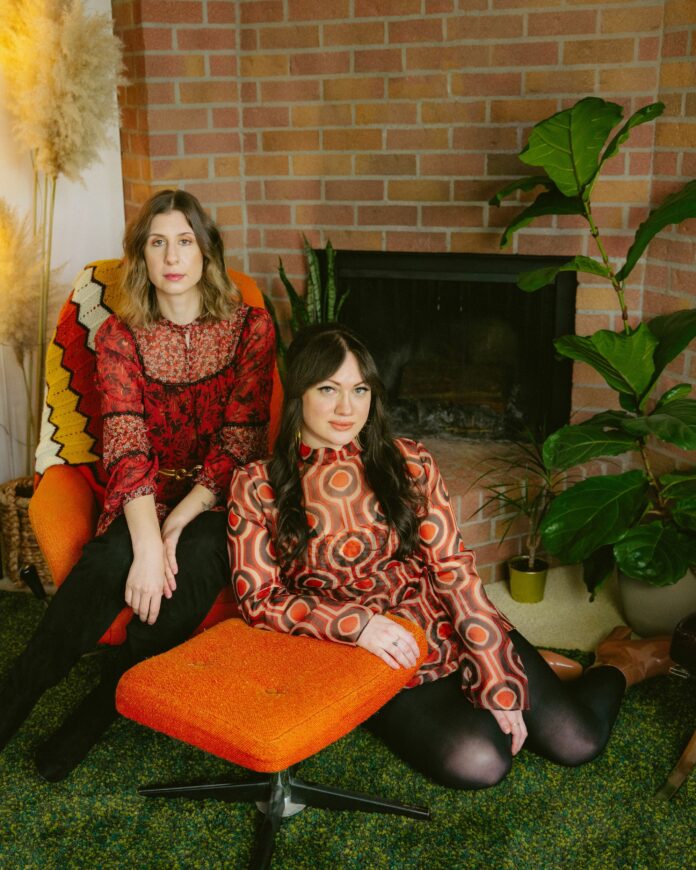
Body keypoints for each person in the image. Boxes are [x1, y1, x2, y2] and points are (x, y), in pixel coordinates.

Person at [227, 322, 673, 790]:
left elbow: (453, 572)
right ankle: (532, 671)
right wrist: (356, 624)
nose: (346, 408)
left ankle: (618, 663)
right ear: (298, 392)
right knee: (481, 762)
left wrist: (497, 676)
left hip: (443, 623)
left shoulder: (409, 462)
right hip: (368, 659)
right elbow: (259, 599)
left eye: (359, 389)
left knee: (577, 741)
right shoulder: (256, 485)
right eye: (328, 389)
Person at [0, 189, 275, 781]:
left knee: (194, 566)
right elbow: (125, 446)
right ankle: (14, 698)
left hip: (217, 500)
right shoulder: (119, 337)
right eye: (157, 243)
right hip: (138, 494)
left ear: (207, 253)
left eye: (184, 241)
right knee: (108, 564)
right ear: (141, 258)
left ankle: (96, 712)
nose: (172, 256)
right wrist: (148, 544)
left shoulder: (252, 326)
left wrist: (176, 527)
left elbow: (242, 440)